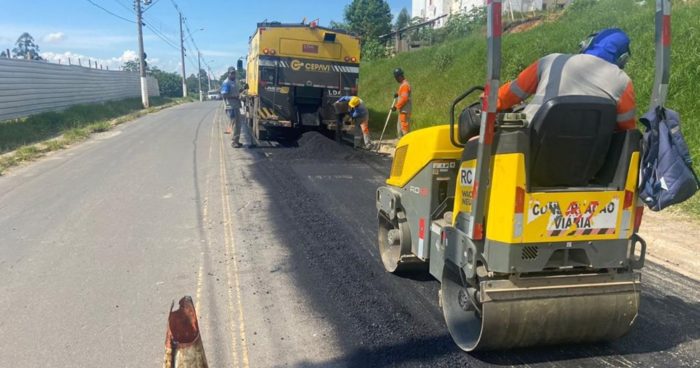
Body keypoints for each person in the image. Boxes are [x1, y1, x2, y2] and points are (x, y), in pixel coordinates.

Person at [496, 28, 636, 131]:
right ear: (622, 59)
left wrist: (488, 102)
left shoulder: (552, 60)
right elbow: (626, 129)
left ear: (587, 43)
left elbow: (511, 93)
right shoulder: (623, 82)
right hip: (586, 161)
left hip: (527, 144)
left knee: (476, 140)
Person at [221, 68, 255, 148]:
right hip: (230, 107)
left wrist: (243, 88)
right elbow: (224, 95)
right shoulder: (226, 83)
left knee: (238, 124)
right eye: (231, 73)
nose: (233, 75)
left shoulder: (235, 81)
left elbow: (237, 91)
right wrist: (235, 97)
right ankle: (234, 142)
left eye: (234, 73)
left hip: (236, 106)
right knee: (234, 124)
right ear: (228, 74)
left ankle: (237, 140)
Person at [392, 68, 412, 137]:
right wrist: (397, 93)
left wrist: (396, 106)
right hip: (402, 110)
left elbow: (404, 99)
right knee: (400, 128)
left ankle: (406, 143)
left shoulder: (405, 85)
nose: (396, 79)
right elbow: (402, 94)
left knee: (404, 129)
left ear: (399, 77)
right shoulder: (403, 84)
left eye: (396, 78)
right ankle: (401, 142)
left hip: (404, 111)